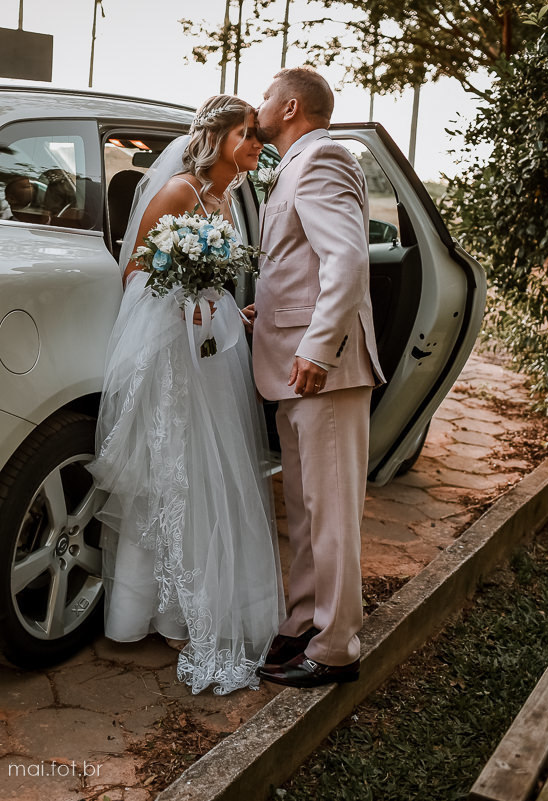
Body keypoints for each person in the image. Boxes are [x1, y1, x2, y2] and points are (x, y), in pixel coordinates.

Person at [89, 95, 285, 695]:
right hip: (173, 348)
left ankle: (191, 608)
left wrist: (228, 305)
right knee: (171, 469)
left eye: (257, 134)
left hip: (214, 345)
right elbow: (134, 272)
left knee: (213, 468)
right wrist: (186, 287)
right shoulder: (177, 191)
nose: (257, 143)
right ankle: (154, 610)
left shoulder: (228, 199)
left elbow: (218, 280)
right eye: (249, 133)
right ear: (219, 137)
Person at [241, 67, 385, 688]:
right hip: (294, 363)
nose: (259, 103)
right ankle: (304, 622)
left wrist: (319, 351)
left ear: (291, 105)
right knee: (303, 510)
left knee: (329, 515)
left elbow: (347, 260)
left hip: (320, 370)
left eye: (267, 95)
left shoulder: (323, 157)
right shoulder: (292, 164)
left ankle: (335, 649)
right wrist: (264, 312)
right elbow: (300, 264)